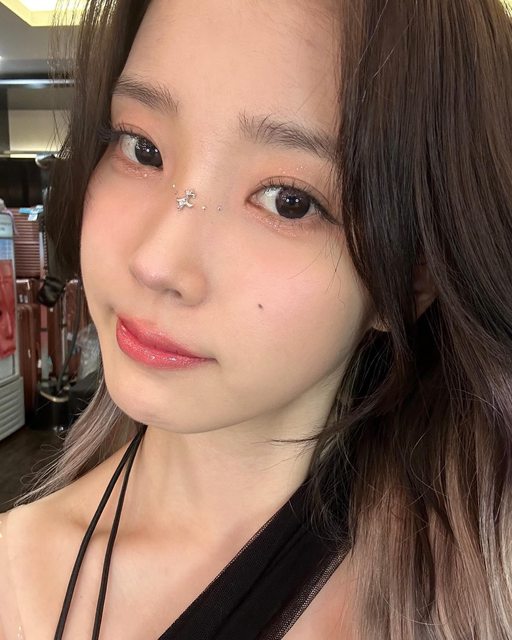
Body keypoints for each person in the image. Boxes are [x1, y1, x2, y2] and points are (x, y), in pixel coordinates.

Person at [1, 0, 511, 637]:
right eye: (143, 148)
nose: (156, 263)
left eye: (289, 201)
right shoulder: (15, 577)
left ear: (412, 282)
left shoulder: (471, 601)